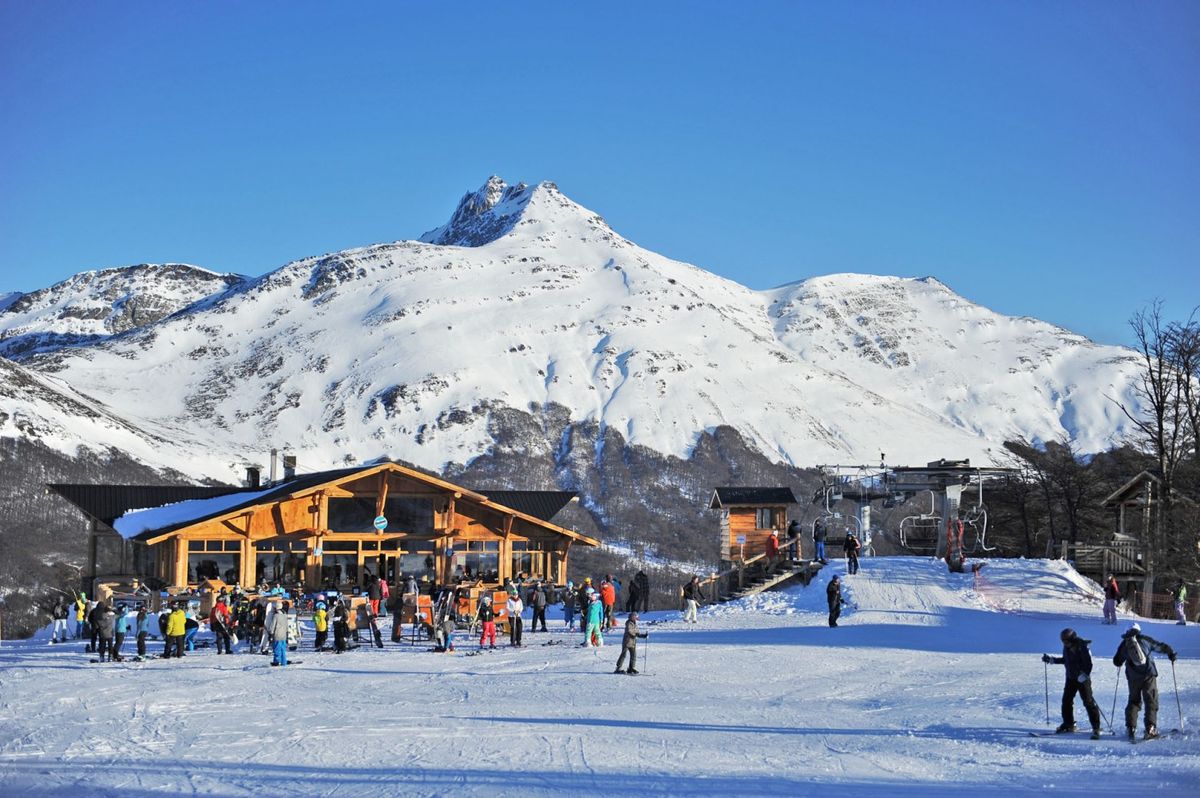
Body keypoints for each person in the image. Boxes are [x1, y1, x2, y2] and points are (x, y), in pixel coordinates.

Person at [1112, 622, 1177, 740]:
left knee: (1134, 701)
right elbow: (1160, 646)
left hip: (1133, 678)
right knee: (1151, 700)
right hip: (1148, 675)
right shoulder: (1145, 639)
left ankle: (1130, 728)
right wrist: (1171, 653)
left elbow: (1117, 661)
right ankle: (1150, 729)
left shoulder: (1124, 644)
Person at [1041, 628, 1102, 738]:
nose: (1065, 643)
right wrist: (1052, 660)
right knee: (1066, 701)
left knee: (1088, 702)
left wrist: (1084, 675)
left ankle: (1096, 727)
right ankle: (1068, 724)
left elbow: (1089, 664)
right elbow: (1066, 660)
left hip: (1082, 679)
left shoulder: (1081, 646)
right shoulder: (1067, 647)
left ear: (1072, 639)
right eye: (1063, 642)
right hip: (1071, 678)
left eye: (1066, 641)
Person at [270, 601, 291, 666]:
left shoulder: (276, 616)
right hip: (283, 634)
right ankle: (283, 661)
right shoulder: (285, 615)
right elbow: (286, 625)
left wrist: (271, 632)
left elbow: (273, 625)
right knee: (282, 648)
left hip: (277, 634)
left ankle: (276, 661)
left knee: (277, 648)